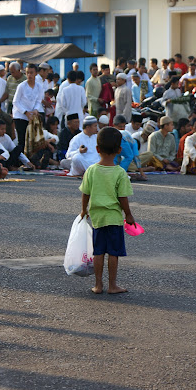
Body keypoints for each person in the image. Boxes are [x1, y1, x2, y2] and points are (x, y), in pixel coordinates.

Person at [79, 126, 134, 294]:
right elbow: (122, 197)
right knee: (113, 253)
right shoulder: (120, 172)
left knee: (99, 252)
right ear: (119, 150)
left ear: (97, 149)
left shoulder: (91, 170)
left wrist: (83, 210)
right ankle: (112, 285)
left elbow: (85, 193)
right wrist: (129, 214)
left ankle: (98, 285)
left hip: (97, 217)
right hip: (114, 218)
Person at [12, 63, 43, 150]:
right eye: (27, 73)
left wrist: (36, 109)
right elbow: (15, 101)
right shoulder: (21, 86)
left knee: (32, 140)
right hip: (20, 115)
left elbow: (38, 100)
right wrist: (25, 112)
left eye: (31, 73)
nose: (29, 75)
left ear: (36, 73)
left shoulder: (39, 86)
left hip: (31, 116)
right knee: (22, 140)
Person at [112, 114, 148, 179]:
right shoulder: (133, 143)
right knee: (129, 156)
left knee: (116, 157)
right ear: (114, 125)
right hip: (122, 140)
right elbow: (136, 157)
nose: (122, 128)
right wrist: (142, 173)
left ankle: (113, 173)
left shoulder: (112, 132)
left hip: (114, 140)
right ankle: (120, 174)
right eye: (120, 126)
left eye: (123, 126)